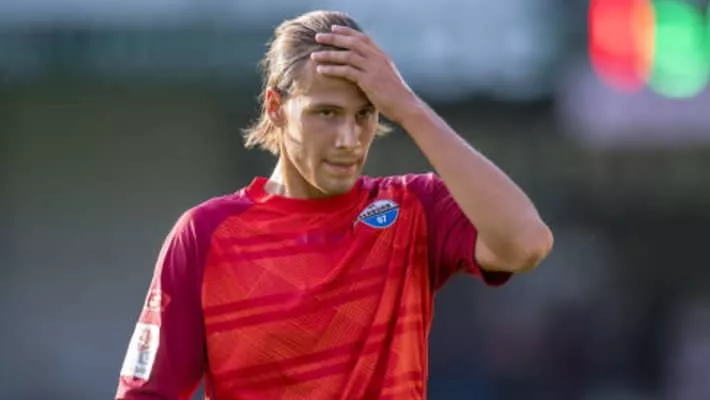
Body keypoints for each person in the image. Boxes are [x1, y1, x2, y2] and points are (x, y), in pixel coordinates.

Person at [115, 10, 553, 400]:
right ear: (276, 108)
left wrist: (408, 107)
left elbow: (527, 243)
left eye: (364, 114)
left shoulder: (412, 209)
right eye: (326, 113)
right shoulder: (205, 235)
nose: (349, 139)